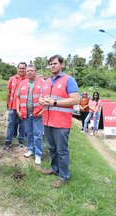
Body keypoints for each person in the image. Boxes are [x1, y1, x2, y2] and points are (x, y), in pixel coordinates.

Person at [40, 55, 79, 188]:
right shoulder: (46, 82)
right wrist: (41, 100)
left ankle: (64, 176)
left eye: (55, 63)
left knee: (62, 150)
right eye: (50, 64)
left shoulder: (69, 80)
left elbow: (75, 100)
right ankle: (55, 168)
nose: (52, 66)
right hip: (47, 121)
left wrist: (55, 102)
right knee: (51, 148)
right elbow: (41, 96)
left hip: (61, 123)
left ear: (61, 65)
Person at [16, 64, 44, 164]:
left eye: (31, 70)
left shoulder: (42, 83)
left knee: (38, 134)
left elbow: (47, 97)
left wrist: (43, 110)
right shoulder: (23, 83)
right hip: (26, 114)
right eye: (28, 71)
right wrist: (17, 109)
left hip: (38, 114)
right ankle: (31, 150)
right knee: (29, 133)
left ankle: (38, 154)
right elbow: (18, 97)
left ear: (35, 71)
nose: (29, 72)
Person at [3, 62, 27, 150]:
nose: (21, 70)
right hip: (12, 106)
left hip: (23, 107)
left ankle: (21, 141)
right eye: (20, 68)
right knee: (10, 124)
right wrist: (8, 103)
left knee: (23, 125)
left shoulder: (28, 79)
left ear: (26, 69)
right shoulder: (12, 79)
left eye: (23, 68)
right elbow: (8, 92)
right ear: (17, 69)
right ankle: (8, 141)